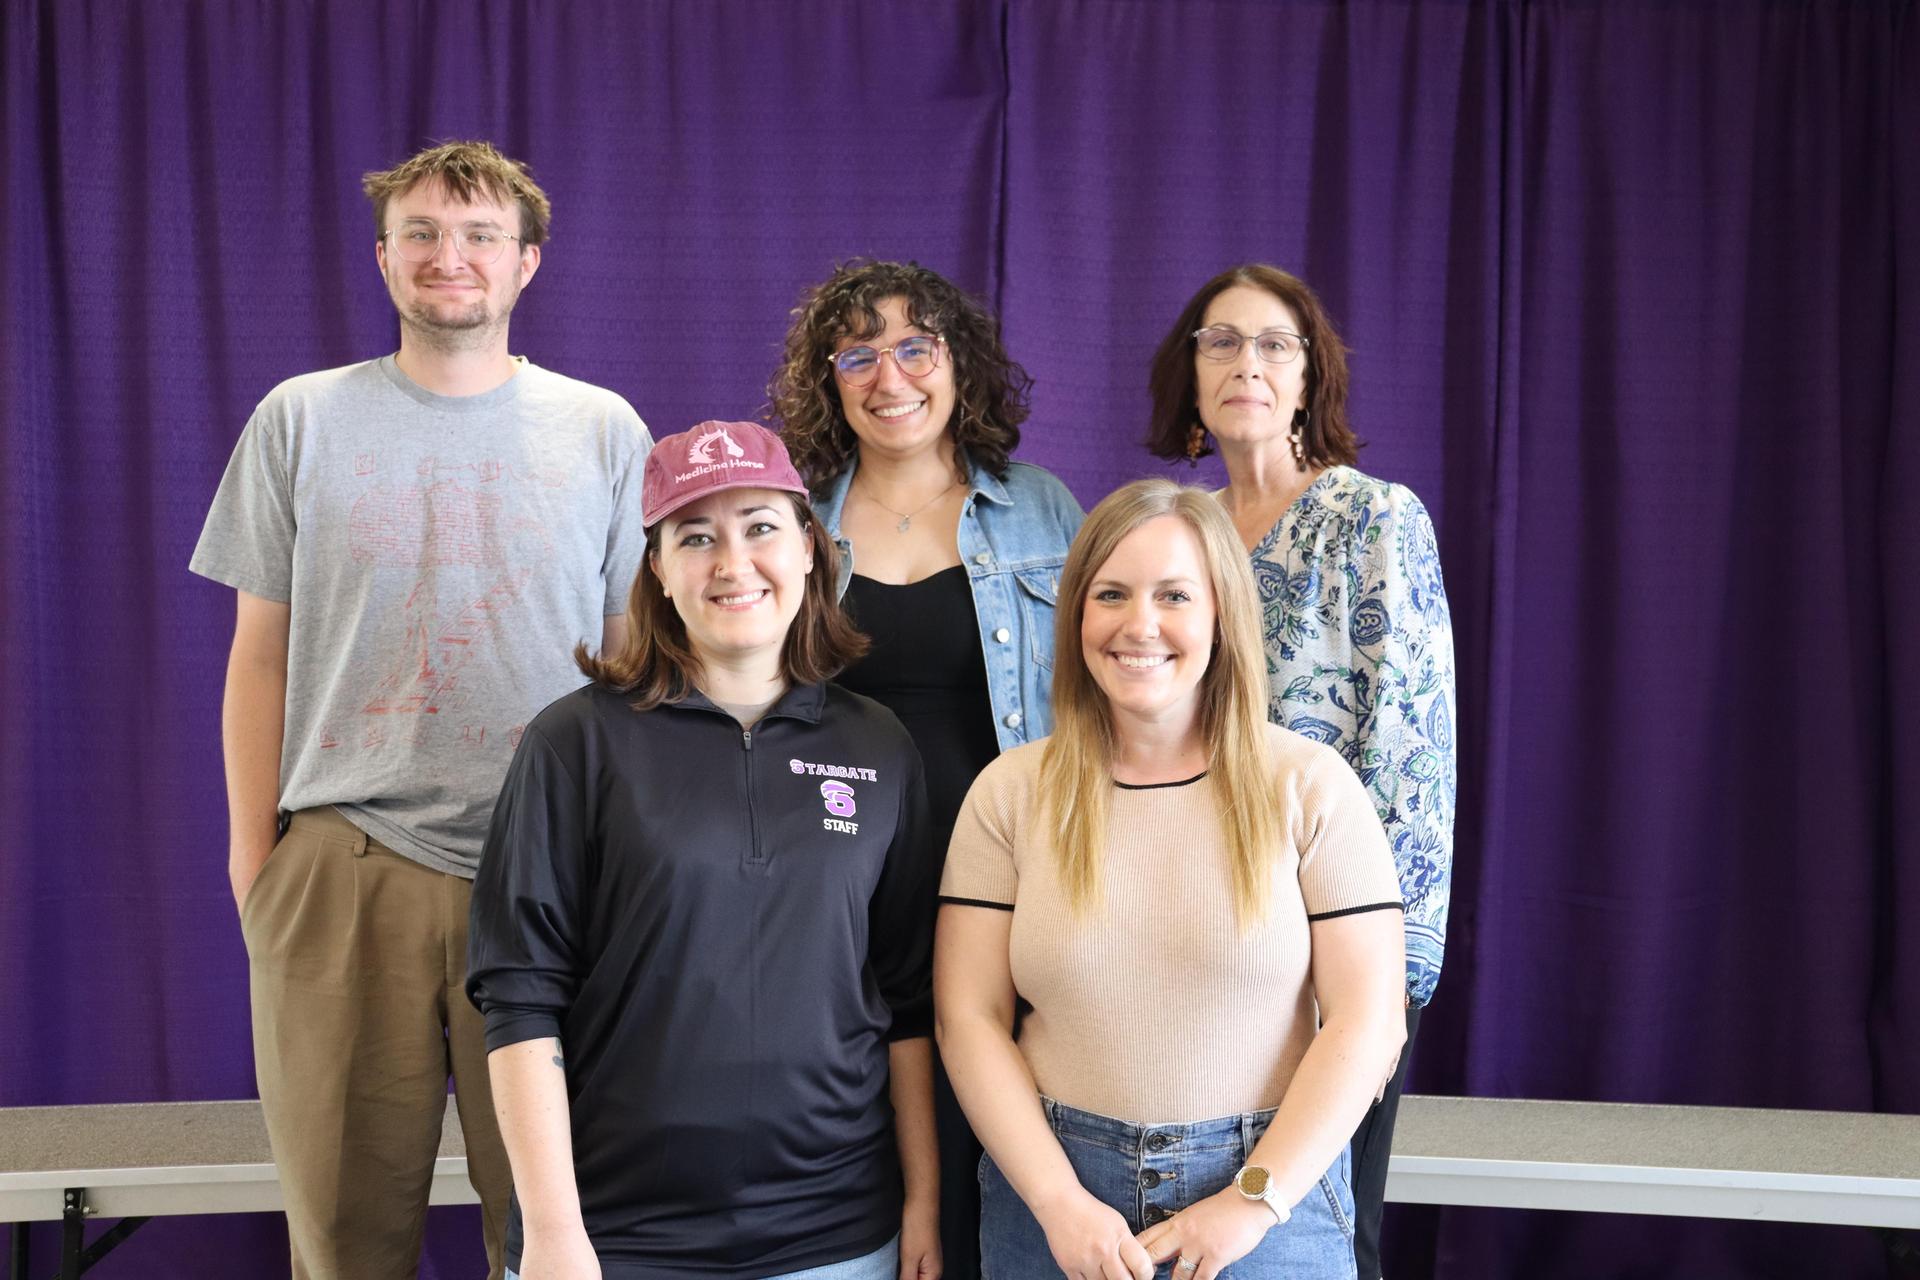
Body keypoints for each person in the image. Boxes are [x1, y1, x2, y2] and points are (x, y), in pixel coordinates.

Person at [188, 140, 651, 1279]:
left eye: (481, 234)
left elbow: (640, 670)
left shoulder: (604, 430)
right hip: (345, 867)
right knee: (345, 1240)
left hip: (554, 874)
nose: (452, 256)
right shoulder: (299, 419)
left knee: (558, 1235)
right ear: (385, 258)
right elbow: (259, 659)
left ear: (527, 262)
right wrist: (258, 859)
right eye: (425, 234)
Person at [467, 420, 942, 1280]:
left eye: (760, 525)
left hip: (837, 1236)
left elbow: (906, 1000)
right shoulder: (576, 742)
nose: (732, 563)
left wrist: (922, 1203)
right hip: (618, 1239)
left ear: (808, 546)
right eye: (696, 536)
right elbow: (519, 999)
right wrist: (553, 1232)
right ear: (657, 568)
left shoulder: (879, 747)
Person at [936, 479, 1407, 1280]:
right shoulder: (1008, 794)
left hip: (1267, 1198)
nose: (1138, 624)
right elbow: (968, 1018)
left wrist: (1250, 1203)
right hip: (1054, 1198)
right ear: (1077, 615)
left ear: (1223, 615)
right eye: (1110, 594)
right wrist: (1057, 1201)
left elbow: (1369, 1022)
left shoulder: (1312, 786)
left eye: (1174, 595)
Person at [771, 259, 1084, 1278]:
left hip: (1013, 882)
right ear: (829, 378)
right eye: (858, 352)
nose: (888, 374)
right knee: (866, 1157)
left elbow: (1103, 697)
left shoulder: (1042, 512)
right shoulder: (791, 520)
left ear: (960, 364)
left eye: (916, 345)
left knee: (1001, 1137)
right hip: (838, 889)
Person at [1145, 265, 1457, 1279]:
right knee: (1191, 1232)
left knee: (1313, 1225)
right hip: (1189, 947)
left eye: (1273, 343)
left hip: (1329, 955)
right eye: (1221, 341)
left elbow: (1410, 755)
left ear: (1309, 372)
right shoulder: (1176, 533)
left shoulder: (1373, 520)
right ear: (1188, 372)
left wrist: (1377, 978)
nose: (1246, 363)